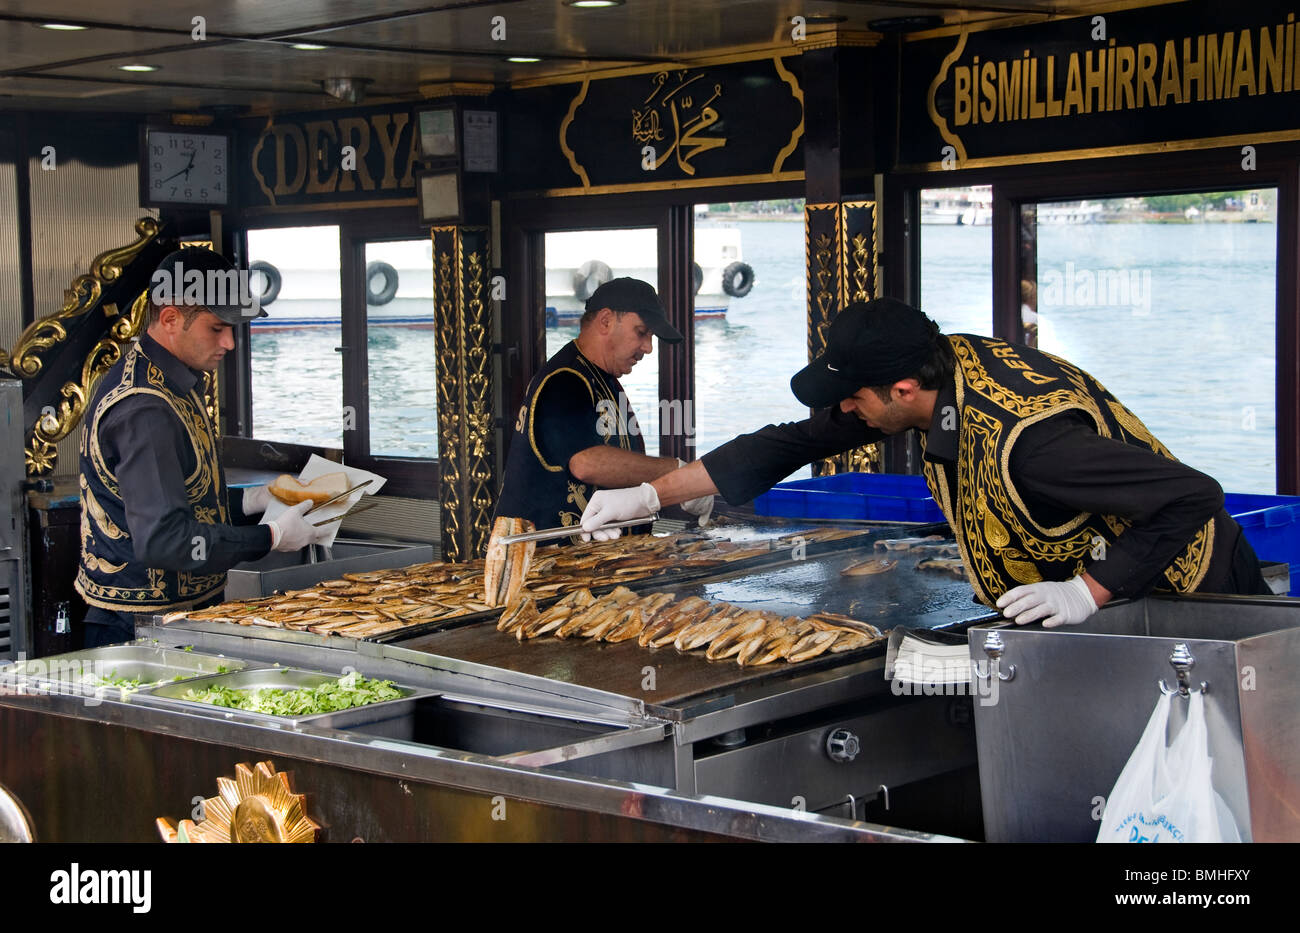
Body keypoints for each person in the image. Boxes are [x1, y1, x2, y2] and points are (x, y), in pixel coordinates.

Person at [581, 298, 1272, 627]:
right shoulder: (935, 364)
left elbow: (1193, 495)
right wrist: (652, 493)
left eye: (854, 397)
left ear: (903, 391)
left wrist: (1086, 590)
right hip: (1112, 598)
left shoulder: (1032, 445)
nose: (847, 412)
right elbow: (790, 442)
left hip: (1196, 596)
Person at [76, 247, 333, 647]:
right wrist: (271, 537)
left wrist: (251, 501)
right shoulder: (146, 410)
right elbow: (166, 540)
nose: (230, 342)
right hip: (142, 627)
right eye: (216, 328)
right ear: (170, 319)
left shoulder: (173, 379)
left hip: (179, 614)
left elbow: (181, 499)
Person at [494, 277, 712, 535]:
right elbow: (587, 462)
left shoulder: (600, 378)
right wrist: (681, 474)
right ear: (606, 321)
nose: (649, 348)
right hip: (548, 561)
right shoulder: (565, 380)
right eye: (641, 332)